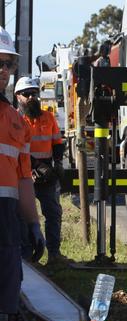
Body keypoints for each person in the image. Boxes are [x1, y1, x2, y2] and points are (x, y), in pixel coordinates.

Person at [0, 26, 46, 321]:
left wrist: (33, 224)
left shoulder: (18, 122)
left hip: (6, 215)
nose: (4, 70)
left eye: (8, 64)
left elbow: (23, 179)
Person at [14, 76, 67, 266]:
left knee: (53, 213)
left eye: (34, 94)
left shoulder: (48, 117)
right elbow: (17, 148)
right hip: (22, 174)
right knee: (23, 216)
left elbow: (57, 143)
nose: (31, 98)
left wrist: (58, 163)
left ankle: (54, 253)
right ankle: (28, 257)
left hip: (48, 175)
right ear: (17, 96)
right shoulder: (15, 119)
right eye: (27, 94)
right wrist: (36, 166)